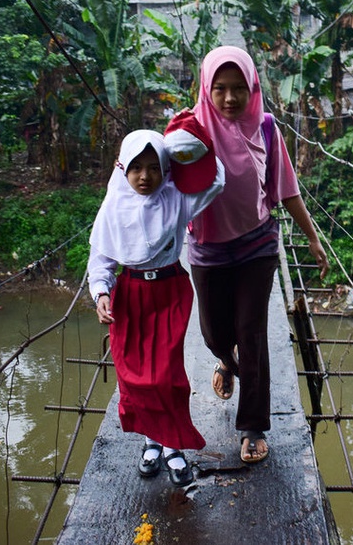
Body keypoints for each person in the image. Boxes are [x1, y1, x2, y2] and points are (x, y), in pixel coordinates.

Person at [187, 46, 329, 464]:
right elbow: (158, 184)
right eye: (220, 88)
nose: (230, 98)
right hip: (207, 249)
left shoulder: (266, 128)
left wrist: (314, 239)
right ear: (206, 88)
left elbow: (286, 190)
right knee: (214, 332)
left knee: (252, 332)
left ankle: (252, 426)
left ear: (252, 90)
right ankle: (226, 362)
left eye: (239, 89)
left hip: (256, 245)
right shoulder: (191, 131)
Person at [87, 122, 225, 484]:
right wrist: (101, 292)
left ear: (165, 168)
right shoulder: (114, 207)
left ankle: (172, 446)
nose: (144, 176)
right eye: (135, 167)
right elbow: (101, 257)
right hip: (129, 295)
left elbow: (216, 181)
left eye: (153, 167)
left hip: (168, 292)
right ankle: (151, 440)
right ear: (122, 169)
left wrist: (196, 142)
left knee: (166, 377)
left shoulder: (176, 199)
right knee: (133, 376)